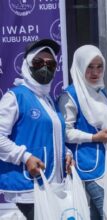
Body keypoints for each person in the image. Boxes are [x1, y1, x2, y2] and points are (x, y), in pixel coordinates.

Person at [0, 39, 73, 220]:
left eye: (50, 64)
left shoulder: (48, 99)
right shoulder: (15, 97)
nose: (45, 68)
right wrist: (25, 157)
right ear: (27, 65)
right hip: (28, 188)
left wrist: (67, 152)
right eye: (38, 62)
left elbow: (52, 136)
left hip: (52, 185)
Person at [58, 45, 107, 220]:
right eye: (89, 67)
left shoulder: (101, 92)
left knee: (98, 214)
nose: (95, 72)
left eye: (99, 66)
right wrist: (94, 137)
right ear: (79, 67)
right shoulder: (70, 95)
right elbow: (65, 132)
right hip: (88, 163)